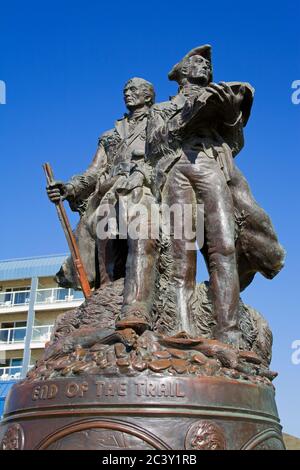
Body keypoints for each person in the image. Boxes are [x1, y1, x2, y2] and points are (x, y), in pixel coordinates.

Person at [47, 78, 157, 331]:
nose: (128, 94)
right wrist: (70, 187)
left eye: (134, 90)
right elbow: (95, 171)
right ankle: (106, 303)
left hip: (145, 190)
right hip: (110, 193)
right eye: (125, 91)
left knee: (142, 243)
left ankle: (139, 302)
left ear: (148, 96)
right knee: (106, 256)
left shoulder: (159, 124)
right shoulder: (109, 136)